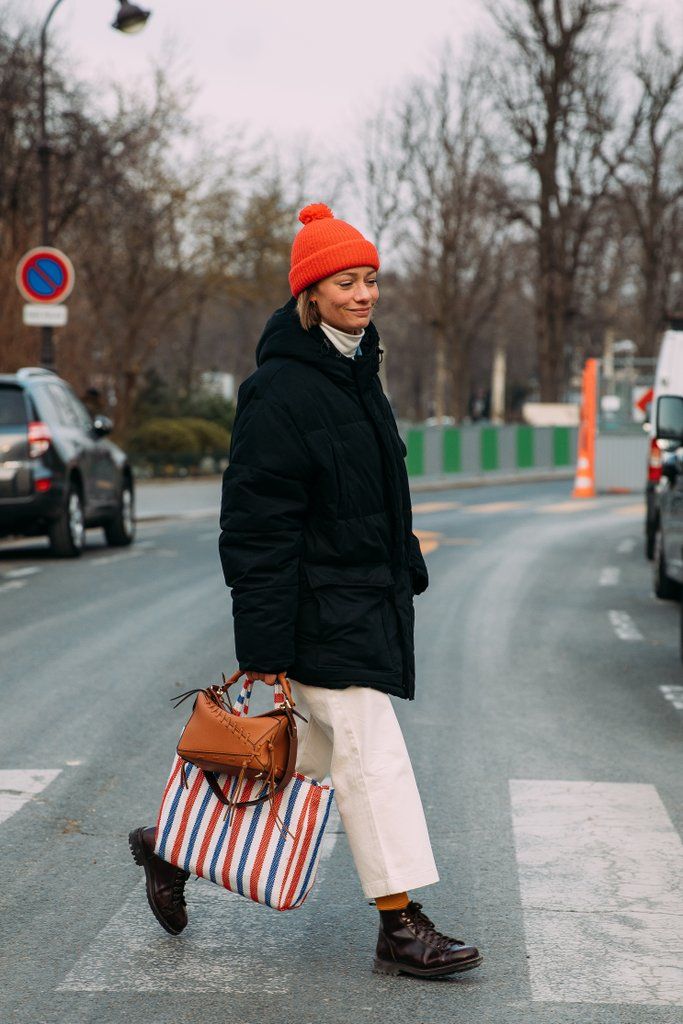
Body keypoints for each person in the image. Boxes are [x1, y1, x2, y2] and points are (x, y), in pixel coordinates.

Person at [129, 203, 482, 979]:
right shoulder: (279, 390)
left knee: (310, 757)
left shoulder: (359, 373)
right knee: (370, 752)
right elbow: (256, 526)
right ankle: (400, 923)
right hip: (317, 607)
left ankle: (168, 845)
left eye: (369, 280)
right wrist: (261, 643)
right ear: (309, 294)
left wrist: (402, 567)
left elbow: (376, 491)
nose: (362, 294)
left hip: (363, 597)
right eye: (344, 282)